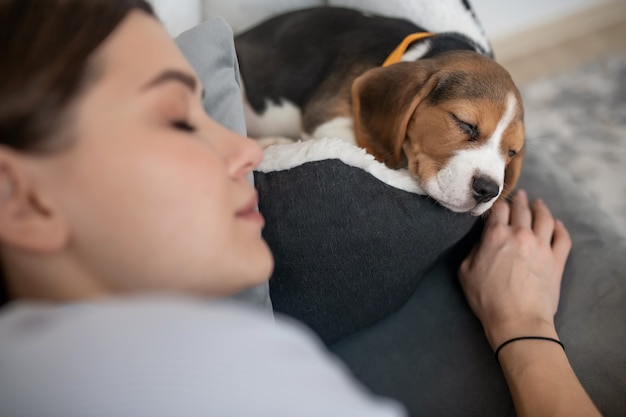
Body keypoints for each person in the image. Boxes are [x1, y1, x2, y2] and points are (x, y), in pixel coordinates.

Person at [0, 1, 601, 416]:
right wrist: (525, 328)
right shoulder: (241, 369)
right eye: (181, 119)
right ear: (18, 196)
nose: (245, 146)